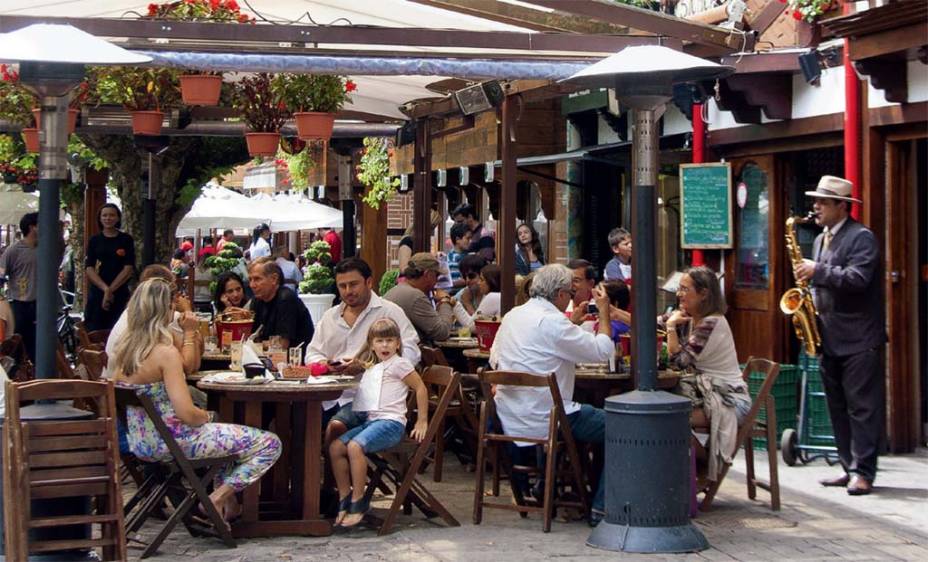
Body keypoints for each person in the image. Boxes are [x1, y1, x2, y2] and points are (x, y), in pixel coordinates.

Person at [112, 278, 281, 521]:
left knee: (225, 436)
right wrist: (206, 416)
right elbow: (187, 414)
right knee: (269, 443)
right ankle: (217, 498)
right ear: (164, 310)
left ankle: (229, 506)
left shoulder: (124, 352)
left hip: (143, 444)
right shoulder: (165, 354)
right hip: (176, 443)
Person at [489, 264, 613, 524]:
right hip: (549, 418)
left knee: (593, 419)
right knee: (624, 426)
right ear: (560, 294)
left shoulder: (513, 315)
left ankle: (552, 487)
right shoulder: (553, 322)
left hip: (509, 415)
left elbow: (495, 357)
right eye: (570, 294)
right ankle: (602, 506)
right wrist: (604, 315)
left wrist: (572, 323)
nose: (570, 299)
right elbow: (601, 351)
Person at [794, 175, 885, 496]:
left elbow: (858, 279)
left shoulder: (862, 237)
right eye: (815, 201)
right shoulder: (821, 239)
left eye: (823, 202)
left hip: (860, 338)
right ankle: (848, 467)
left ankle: (863, 472)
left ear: (842, 206)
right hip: (828, 336)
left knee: (862, 408)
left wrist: (817, 271)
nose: (816, 207)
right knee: (837, 406)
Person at [305, 257, 420, 445]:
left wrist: (368, 366)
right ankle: (311, 465)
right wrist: (326, 365)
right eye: (342, 286)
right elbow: (312, 353)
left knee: (335, 427)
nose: (348, 291)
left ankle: (331, 464)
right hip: (328, 397)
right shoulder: (330, 316)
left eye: (353, 284)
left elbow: (411, 353)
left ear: (369, 282)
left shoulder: (389, 312)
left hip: (372, 401)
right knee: (296, 418)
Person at [328, 318, 428, 528]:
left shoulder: (400, 364)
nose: (385, 345)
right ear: (372, 344)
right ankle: (345, 496)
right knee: (336, 447)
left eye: (389, 341)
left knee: (355, 446)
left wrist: (422, 421)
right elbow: (363, 363)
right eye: (380, 341)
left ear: (398, 343)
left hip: (391, 424)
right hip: (373, 422)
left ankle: (359, 501)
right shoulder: (374, 365)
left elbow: (420, 388)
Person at [660, 267, 750, 484]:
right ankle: (699, 467)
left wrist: (670, 328)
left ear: (704, 293)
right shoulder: (690, 317)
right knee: (663, 413)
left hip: (730, 401)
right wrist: (611, 312)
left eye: (685, 289)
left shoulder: (711, 322)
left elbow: (679, 361)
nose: (679, 294)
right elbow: (648, 323)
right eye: (679, 289)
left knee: (667, 419)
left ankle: (705, 467)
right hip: (706, 395)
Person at [103, 264, 203, 379]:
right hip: (142, 388)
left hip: (116, 387)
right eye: (174, 292)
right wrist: (188, 316)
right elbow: (188, 367)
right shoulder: (165, 319)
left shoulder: (133, 313)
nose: (177, 299)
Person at [383, 252, 453, 345]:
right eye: (436, 276)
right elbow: (442, 332)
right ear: (428, 274)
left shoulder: (398, 290)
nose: (436, 281)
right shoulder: (415, 296)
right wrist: (445, 300)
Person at [84, 204, 135, 331]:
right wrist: (105, 289)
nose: (108, 218)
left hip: (120, 292)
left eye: (112, 215)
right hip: (97, 292)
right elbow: (89, 268)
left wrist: (110, 290)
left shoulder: (126, 240)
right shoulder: (94, 240)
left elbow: (128, 268)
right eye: (104, 215)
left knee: (119, 329)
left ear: (118, 218)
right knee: (94, 329)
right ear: (100, 218)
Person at [247, 257, 313, 352]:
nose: (252, 285)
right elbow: (251, 336)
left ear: (274, 279)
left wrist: (253, 345)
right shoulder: (257, 300)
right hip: (267, 356)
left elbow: (282, 344)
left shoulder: (286, 299)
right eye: (250, 280)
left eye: (257, 279)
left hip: (294, 358)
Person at [0, 213, 38, 360]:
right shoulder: (14, 250)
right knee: (17, 346)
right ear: (32, 227)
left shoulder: (46, 249)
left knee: (38, 346)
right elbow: (1, 274)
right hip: (20, 305)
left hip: (41, 305)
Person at [567, 258, 597, 327]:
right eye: (567, 279)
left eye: (576, 281)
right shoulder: (559, 305)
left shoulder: (600, 307)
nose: (570, 285)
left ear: (590, 284)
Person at [447, 222, 472, 288]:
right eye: (468, 238)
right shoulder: (452, 258)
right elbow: (454, 282)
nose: (470, 241)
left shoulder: (469, 255)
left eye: (471, 238)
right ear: (457, 239)